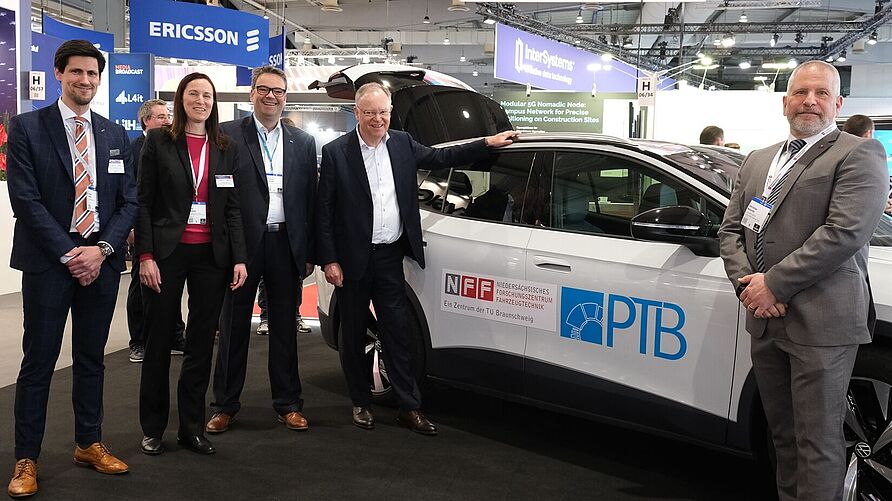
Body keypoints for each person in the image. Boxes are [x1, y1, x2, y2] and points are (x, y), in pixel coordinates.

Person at [718, 60, 888, 501]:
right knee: (784, 438)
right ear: (785, 102)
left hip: (822, 324)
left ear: (838, 103)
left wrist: (773, 284)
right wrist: (748, 287)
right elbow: (731, 230)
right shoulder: (758, 160)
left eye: (821, 93)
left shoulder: (858, 153)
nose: (809, 101)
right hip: (765, 320)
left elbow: (843, 233)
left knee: (817, 444)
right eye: (800, 92)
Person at [316, 82, 518, 435]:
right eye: (369, 112)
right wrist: (329, 260)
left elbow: (443, 158)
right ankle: (361, 402)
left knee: (398, 333)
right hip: (351, 261)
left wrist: (487, 142)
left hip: (390, 256)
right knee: (353, 333)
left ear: (390, 113)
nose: (377, 119)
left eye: (383, 112)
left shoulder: (403, 143)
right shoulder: (336, 152)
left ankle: (409, 406)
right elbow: (324, 210)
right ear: (357, 113)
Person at [5, 39, 136, 497]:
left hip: (101, 261)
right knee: (39, 361)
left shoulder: (114, 134)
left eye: (92, 73)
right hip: (48, 262)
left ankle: (88, 442)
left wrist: (101, 250)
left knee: (91, 358)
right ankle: (26, 457)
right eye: (76, 71)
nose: (85, 80)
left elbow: (129, 201)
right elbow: (25, 199)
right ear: (59, 73)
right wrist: (70, 253)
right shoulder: (27, 127)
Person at [136, 72, 247, 456]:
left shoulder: (226, 146)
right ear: (181, 99)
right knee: (158, 342)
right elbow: (143, 202)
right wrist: (145, 256)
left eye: (207, 96)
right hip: (167, 253)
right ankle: (153, 428)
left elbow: (232, 208)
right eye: (193, 94)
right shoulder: (159, 141)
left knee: (200, 344)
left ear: (214, 103)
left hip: (211, 257)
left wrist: (239, 257)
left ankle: (191, 427)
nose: (201, 101)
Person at [207, 65, 317, 435]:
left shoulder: (302, 142)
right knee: (233, 325)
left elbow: (310, 199)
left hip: (286, 243)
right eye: (264, 89)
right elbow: (218, 192)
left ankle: (288, 404)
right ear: (252, 93)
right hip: (242, 246)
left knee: (285, 327)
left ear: (286, 97)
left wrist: (309, 250)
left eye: (278, 91)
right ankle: (224, 405)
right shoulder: (227, 134)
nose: (271, 97)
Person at [126, 99, 187, 363]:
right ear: (146, 120)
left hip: (170, 231)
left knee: (169, 285)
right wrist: (130, 227)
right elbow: (130, 192)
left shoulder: (173, 145)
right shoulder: (133, 149)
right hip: (143, 228)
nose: (167, 121)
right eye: (161, 117)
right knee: (140, 285)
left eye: (168, 116)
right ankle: (138, 341)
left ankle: (175, 336)